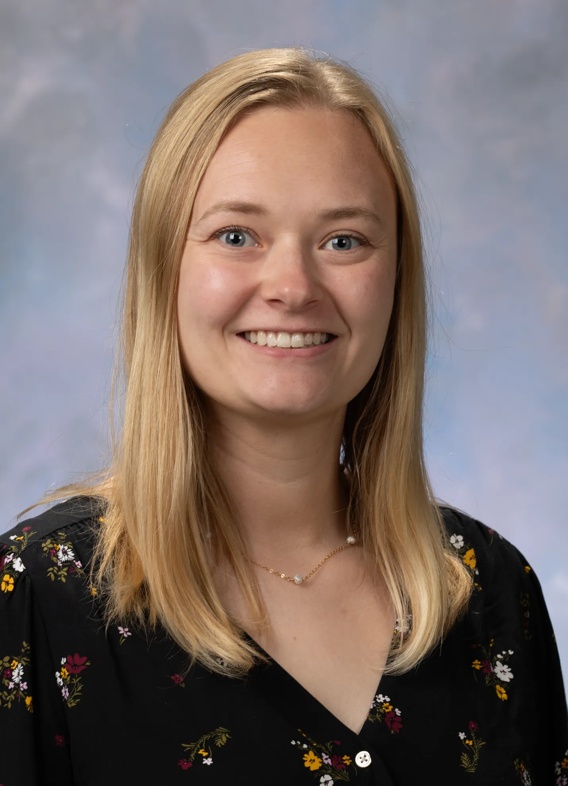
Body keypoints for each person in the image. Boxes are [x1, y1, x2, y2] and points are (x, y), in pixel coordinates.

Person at [0, 47, 566, 785]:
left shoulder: (491, 592)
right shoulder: (38, 598)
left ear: (397, 280)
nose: (293, 286)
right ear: (162, 267)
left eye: (344, 240)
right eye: (238, 236)